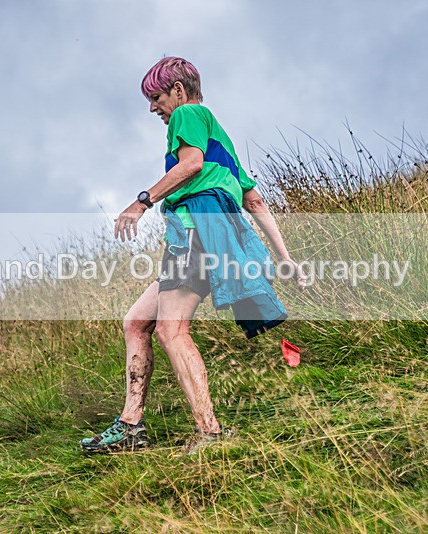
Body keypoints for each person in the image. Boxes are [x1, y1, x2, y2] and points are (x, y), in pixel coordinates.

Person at [80, 57, 303, 455]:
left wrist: (142, 201)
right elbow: (255, 200)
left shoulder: (189, 113)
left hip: (196, 234)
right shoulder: (224, 147)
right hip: (207, 238)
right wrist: (283, 257)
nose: (153, 108)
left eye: (156, 97)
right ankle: (131, 425)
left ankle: (210, 433)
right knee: (136, 322)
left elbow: (190, 165)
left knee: (171, 330)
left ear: (178, 91)